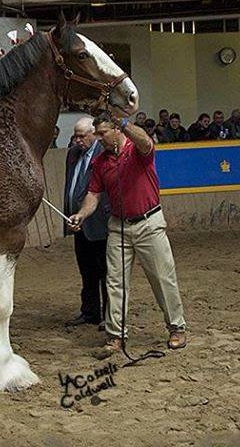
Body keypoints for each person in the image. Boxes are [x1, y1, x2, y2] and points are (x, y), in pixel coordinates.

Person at [68, 111, 187, 356]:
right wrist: (82, 214)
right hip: (118, 226)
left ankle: (176, 327)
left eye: (103, 133)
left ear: (117, 130)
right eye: (97, 134)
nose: (99, 139)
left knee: (163, 278)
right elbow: (93, 194)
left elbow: (145, 141)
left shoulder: (138, 151)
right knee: (114, 282)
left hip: (148, 223)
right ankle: (116, 336)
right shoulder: (100, 163)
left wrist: (124, 121)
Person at [63, 116, 109, 330]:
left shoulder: (104, 153)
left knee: (105, 272)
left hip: (100, 221)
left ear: (94, 134)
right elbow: (71, 184)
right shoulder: (72, 154)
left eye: (82, 136)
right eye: (75, 136)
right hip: (76, 221)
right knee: (86, 270)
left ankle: (109, 316)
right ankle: (90, 311)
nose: (77, 140)